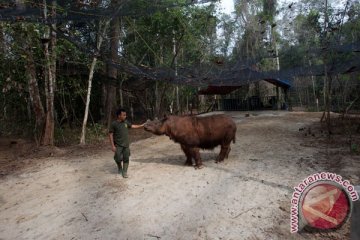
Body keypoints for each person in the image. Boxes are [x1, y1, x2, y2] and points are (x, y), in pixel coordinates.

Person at [109, 108, 144, 178]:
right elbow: (110, 134)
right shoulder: (114, 124)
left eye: (125, 115)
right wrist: (112, 146)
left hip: (126, 145)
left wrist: (141, 125)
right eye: (124, 115)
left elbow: (132, 126)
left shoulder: (125, 122)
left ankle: (124, 172)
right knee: (117, 158)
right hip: (118, 145)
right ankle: (119, 167)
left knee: (126, 158)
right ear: (119, 116)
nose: (125, 116)